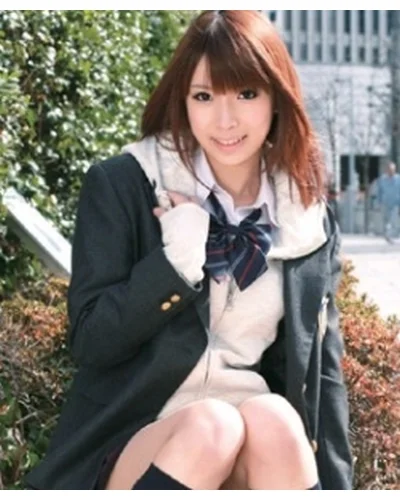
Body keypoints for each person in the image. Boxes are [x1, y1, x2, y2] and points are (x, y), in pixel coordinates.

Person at [24, 10, 353, 490]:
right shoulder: (126, 185)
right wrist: (175, 264)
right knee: (213, 425)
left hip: (250, 441)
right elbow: (91, 340)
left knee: (278, 419)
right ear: (183, 101)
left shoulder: (305, 217)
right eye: (204, 96)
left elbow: (323, 377)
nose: (225, 120)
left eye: (246, 94)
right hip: (135, 435)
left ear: (277, 98)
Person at [376, 161, 400, 243]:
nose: (391, 171)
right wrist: (378, 203)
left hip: (396, 203)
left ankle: (389, 235)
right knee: (386, 220)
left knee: (393, 220)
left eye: (392, 169)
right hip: (385, 203)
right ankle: (388, 235)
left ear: (395, 170)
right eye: (389, 169)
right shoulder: (382, 179)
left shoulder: (398, 179)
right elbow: (379, 192)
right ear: (387, 170)